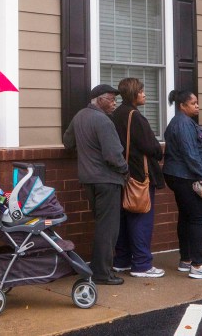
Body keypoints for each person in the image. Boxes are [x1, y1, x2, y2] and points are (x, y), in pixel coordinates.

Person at [63, 84, 129, 285]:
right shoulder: (104, 121)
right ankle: (102, 273)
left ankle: (97, 268)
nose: (114, 103)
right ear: (99, 99)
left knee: (102, 226)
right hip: (107, 180)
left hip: (88, 180)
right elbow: (113, 155)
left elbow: (68, 142)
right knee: (108, 229)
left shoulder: (80, 116)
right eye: (111, 99)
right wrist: (125, 169)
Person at [110, 78, 165, 278]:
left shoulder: (115, 115)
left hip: (119, 174)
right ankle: (142, 264)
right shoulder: (136, 117)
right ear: (134, 94)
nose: (145, 95)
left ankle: (122, 260)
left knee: (123, 219)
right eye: (141, 91)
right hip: (139, 176)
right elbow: (152, 148)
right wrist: (158, 151)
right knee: (141, 218)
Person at [162, 90, 202, 280]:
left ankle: (186, 260)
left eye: (197, 102)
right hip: (188, 176)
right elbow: (190, 153)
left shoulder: (180, 122)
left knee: (187, 217)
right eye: (193, 103)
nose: (197, 106)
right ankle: (197, 264)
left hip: (179, 175)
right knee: (197, 219)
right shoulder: (184, 124)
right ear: (182, 105)